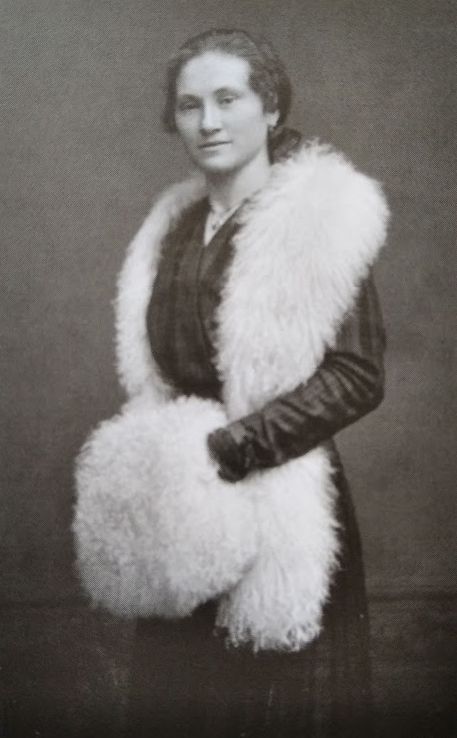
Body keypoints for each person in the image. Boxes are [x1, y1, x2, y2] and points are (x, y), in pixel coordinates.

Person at [76, 28, 389, 737]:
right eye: (189, 105)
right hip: (179, 510)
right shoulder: (171, 228)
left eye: (228, 99)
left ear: (270, 108)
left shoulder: (318, 221)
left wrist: (234, 447)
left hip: (278, 495)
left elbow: (357, 373)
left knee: (275, 704)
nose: (208, 122)